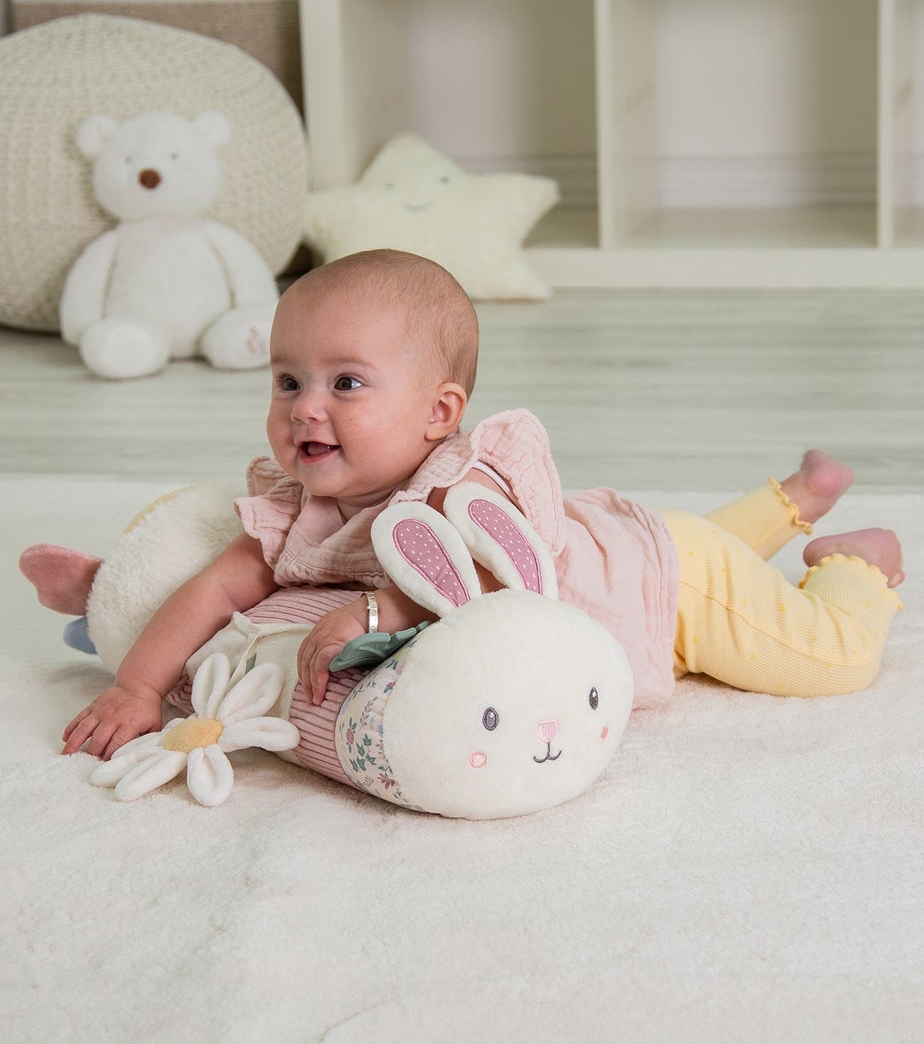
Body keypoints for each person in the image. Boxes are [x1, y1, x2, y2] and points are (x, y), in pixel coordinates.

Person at [61, 248, 905, 763]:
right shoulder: (294, 508)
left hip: (667, 597)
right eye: (288, 380)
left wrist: (374, 608)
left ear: (440, 411)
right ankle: (790, 500)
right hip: (640, 550)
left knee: (828, 662)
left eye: (346, 383)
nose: (304, 407)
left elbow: (474, 578)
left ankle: (859, 561)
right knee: (699, 549)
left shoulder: (458, 486)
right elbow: (212, 591)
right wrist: (139, 685)